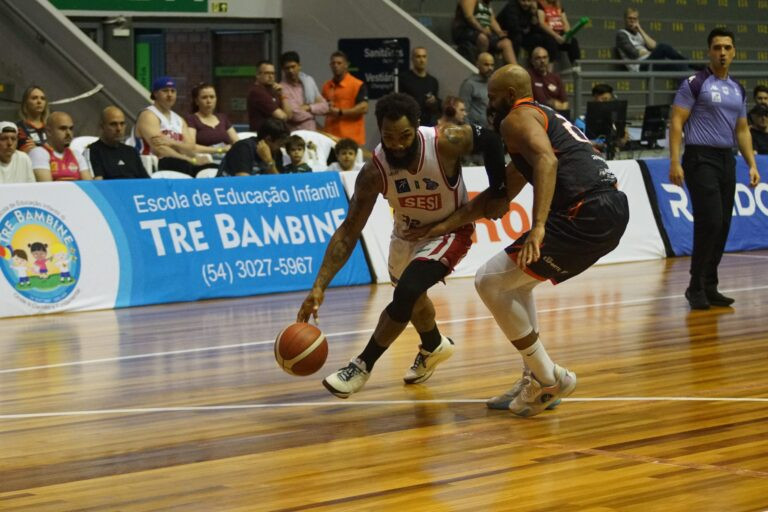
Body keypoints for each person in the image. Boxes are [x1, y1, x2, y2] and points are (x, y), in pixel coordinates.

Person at [407, 64, 629, 417]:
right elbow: (498, 196)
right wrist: (443, 226)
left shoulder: (516, 118)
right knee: (516, 285)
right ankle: (535, 378)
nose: (488, 105)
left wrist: (538, 226)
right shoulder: (541, 120)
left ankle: (549, 378)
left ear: (509, 96)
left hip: (583, 211)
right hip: (610, 207)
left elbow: (547, 162)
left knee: (489, 282)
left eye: (492, 97)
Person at [296, 92, 508, 399]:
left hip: (450, 231)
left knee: (407, 291)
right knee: (413, 299)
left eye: (405, 136)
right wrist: (319, 286)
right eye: (389, 137)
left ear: (417, 126)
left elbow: (490, 139)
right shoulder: (374, 171)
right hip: (406, 235)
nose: (396, 145)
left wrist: (499, 192)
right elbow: (349, 230)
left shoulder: (445, 141)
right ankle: (433, 345)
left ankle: (361, 366)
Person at [668, 28, 760, 310]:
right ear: (709, 51)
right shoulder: (695, 83)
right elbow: (676, 122)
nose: (722, 52)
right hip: (700, 157)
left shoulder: (737, 89)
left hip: (726, 159)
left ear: (734, 52)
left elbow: (742, 129)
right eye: (717, 47)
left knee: (723, 224)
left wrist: (752, 164)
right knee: (710, 221)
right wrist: (674, 161)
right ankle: (695, 286)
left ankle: (709, 285)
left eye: (727, 48)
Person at [134, 76, 215, 177]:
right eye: (165, 91)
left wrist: (171, 142)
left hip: (180, 162)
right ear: (155, 94)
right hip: (155, 163)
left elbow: (190, 148)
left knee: (213, 168)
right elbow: (160, 150)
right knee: (188, 167)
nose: (170, 94)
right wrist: (190, 159)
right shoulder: (149, 115)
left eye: (173, 91)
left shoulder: (179, 120)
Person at [615, 7, 688, 72]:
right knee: (663, 47)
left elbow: (654, 46)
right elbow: (634, 54)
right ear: (625, 19)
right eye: (630, 18)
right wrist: (648, 53)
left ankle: (691, 79)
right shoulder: (621, 34)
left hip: (650, 62)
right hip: (639, 66)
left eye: (635, 19)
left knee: (677, 66)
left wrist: (640, 29)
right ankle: (689, 62)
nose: (632, 21)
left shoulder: (639, 34)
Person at [86, 106, 149, 180]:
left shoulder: (131, 151)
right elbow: (98, 183)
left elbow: (147, 181)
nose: (119, 128)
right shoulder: (92, 152)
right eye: (113, 124)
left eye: (122, 124)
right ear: (102, 126)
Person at [322, 51, 369, 147]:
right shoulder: (326, 86)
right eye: (333, 63)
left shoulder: (357, 84)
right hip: (330, 138)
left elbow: (364, 108)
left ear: (346, 65)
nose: (336, 66)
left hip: (352, 138)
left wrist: (340, 112)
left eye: (339, 63)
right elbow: (321, 107)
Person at [29, 111, 92, 182]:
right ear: (49, 131)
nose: (68, 133)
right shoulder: (39, 153)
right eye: (63, 128)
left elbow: (89, 185)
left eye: (71, 129)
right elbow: (46, 187)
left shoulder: (76, 154)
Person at [217, 118, 290, 177]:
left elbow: (280, 184)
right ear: (269, 139)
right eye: (280, 144)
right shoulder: (243, 148)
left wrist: (269, 161)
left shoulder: (276, 153)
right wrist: (269, 161)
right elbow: (242, 183)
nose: (281, 148)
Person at [452, 0, 517, 65]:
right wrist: (482, 29)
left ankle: (515, 69)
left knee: (506, 43)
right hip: (465, 31)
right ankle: (481, 65)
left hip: (484, 33)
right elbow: (469, 17)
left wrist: (499, 32)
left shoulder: (487, 4)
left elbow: (492, 20)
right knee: (483, 39)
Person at [185, 83, 238, 159]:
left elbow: (237, 142)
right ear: (197, 101)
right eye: (204, 97)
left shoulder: (223, 118)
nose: (209, 101)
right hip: (205, 161)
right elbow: (191, 147)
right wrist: (219, 150)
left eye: (212, 97)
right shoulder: (191, 119)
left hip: (228, 160)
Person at [279, 51, 329, 132]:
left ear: (299, 66)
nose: (290, 70)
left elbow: (325, 107)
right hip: (296, 134)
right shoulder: (282, 88)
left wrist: (309, 107)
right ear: (283, 69)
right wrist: (313, 114)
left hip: (312, 132)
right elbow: (295, 115)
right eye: (287, 68)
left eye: (293, 66)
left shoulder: (308, 81)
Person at [574, 83, 629, 150]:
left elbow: (622, 141)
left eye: (609, 100)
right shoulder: (580, 121)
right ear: (594, 98)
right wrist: (601, 145)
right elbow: (580, 143)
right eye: (604, 99)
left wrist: (622, 139)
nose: (608, 104)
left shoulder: (615, 120)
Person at [399, 47, 442, 127]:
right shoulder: (404, 79)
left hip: (428, 124)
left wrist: (433, 102)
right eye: (418, 57)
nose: (421, 60)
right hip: (409, 123)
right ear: (412, 59)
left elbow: (437, 107)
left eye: (424, 56)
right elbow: (399, 103)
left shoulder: (433, 81)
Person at [247, 60, 291, 133]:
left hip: (276, 135)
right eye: (267, 73)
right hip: (262, 136)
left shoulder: (274, 91)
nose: (271, 76)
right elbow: (282, 117)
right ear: (258, 75)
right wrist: (285, 115)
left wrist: (282, 95)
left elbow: (289, 116)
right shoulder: (257, 92)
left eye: (273, 73)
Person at [537, 0, 580, 70]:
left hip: (560, 34)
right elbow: (541, 23)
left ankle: (576, 68)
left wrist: (568, 35)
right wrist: (556, 36)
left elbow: (565, 22)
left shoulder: (559, 6)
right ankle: (549, 71)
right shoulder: (541, 5)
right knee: (551, 42)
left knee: (573, 41)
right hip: (548, 34)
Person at [459, 52, 496, 128]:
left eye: (492, 65)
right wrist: (468, 129)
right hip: (473, 129)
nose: (490, 68)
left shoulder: (492, 84)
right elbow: (463, 110)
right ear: (478, 65)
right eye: (486, 64)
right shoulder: (469, 84)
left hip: (488, 129)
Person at [529, 47, 568, 112]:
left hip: (554, 114)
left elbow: (565, 103)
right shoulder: (528, 77)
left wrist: (560, 106)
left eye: (545, 57)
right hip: (535, 113)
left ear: (548, 59)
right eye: (538, 58)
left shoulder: (556, 78)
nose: (542, 61)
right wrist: (550, 104)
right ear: (532, 61)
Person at [15, 85, 49, 153]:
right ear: (26, 103)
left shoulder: (51, 128)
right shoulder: (17, 127)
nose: (39, 101)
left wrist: (37, 149)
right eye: (34, 98)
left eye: (42, 98)